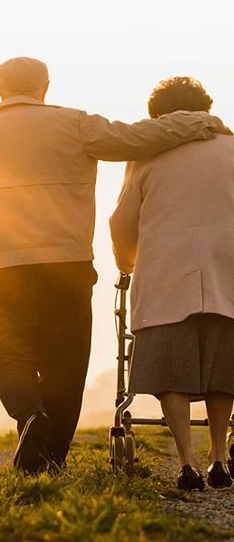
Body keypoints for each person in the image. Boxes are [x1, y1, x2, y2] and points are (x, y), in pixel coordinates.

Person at [0, 57, 231, 474]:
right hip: (67, 263)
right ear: (45, 85)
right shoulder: (74, 125)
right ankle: (51, 459)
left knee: (7, 356)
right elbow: (138, 138)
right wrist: (199, 123)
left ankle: (28, 416)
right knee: (66, 364)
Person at [110, 76, 234, 491]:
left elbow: (121, 222)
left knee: (170, 371)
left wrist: (126, 263)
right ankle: (219, 454)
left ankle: (187, 462)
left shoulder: (148, 157)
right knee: (222, 370)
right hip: (228, 272)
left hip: (166, 273)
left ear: (159, 117)